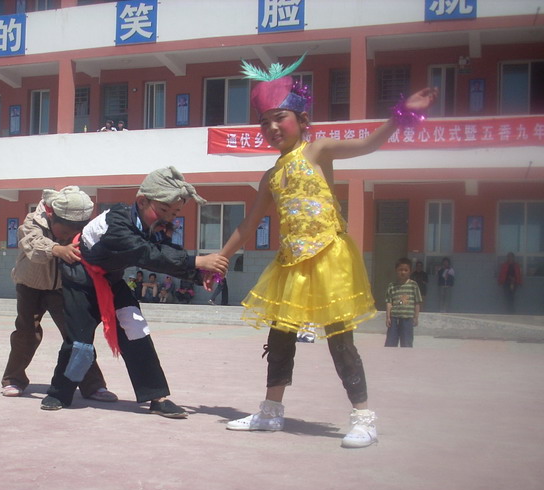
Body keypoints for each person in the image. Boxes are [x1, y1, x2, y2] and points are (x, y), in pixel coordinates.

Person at [214, 55, 437, 448]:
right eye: (264, 122)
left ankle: (364, 418)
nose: (271, 127)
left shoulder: (318, 151)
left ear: (302, 120)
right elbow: (248, 225)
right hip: (291, 266)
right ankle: (271, 412)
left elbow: (367, 144)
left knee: (339, 339)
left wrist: (400, 115)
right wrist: (221, 257)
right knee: (279, 338)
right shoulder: (270, 176)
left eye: (279, 118)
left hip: (329, 258)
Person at [40, 166, 228, 417]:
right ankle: (59, 393)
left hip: (112, 280)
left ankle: (157, 397)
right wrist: (197, 261)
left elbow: (165, 252)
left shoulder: (154, 226)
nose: (168, 217)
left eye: (174, 213)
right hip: (81, 279)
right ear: (142, 201)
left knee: (136, 329)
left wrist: (198, 275)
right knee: (79, 343)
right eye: (163, 210)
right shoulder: (117, 222)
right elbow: (145, 253)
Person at [0, 187, 118, 404]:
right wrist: (57, 249)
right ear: (52, 215)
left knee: (77, 336)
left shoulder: (83, 226)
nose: (67, 237)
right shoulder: (33, 220)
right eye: (64, 232)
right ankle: (13, 379)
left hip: (64, 287)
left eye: (73, 233)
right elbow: (31, 243)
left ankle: (93, 385)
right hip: (30, 285)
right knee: (26, 333)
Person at [384, 257, 422, 348]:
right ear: (396, 270)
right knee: (390, 344)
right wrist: (388, 317)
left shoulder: (413, 285)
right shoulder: (392, 286)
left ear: (410, 271)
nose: (403, 272)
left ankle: (406, 357)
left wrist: (416, 317)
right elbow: (389, 303)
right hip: (394, 319)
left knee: (406, 344)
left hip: (407, 319)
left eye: (406, 270)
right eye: (400, 270)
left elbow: (417, 302)